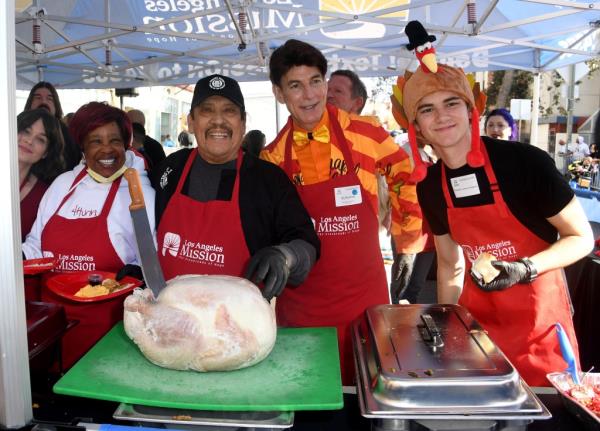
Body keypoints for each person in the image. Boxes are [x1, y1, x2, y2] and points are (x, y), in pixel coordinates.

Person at [397, 27, 593, 386]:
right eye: (427, 109)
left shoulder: (524, 163)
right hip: (480, 332)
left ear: (472, 110)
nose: (441, 116)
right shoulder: (430, 185)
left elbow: (581, 238)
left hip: (540, 331)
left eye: (451, 103)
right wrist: (449, 331)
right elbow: (450, 263)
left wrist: (524, 268)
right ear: (417, 128)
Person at [262, 40, 422, 385]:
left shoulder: (366, 133)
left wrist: (407, 243)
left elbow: (406, 179)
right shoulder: (272, 158)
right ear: (279, 93)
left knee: (368, 391)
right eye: (295, 85)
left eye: (316, 81)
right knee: (309, 395)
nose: (309, 95)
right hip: (303, 305)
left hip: (364, 301)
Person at [152, 74, 319, 303]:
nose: (218, 121)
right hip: (171, 320)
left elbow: (305, 242)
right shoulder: (171, 169)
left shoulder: (267, 179)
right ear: (191, 122)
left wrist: (285, 256)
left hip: (239, 327)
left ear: (243, 123)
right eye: (207, 111)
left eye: (229, 111)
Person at [22, 102, 155, 369]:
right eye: (95, 141)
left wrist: (139, 271)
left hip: (108, 332)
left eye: (114, 140)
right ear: (83, 147)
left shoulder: (139, 193)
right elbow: (36, 245)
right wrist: (19, 255)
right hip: (53, 326)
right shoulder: (62, 185)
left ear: (126, 145)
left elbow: (151, 264)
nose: (106, 149)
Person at [326, 69, 435, 304]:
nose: (328, 95)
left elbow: (404, 179)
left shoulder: (371, 133)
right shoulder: (303, 135)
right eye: (326, 89)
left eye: (337, 90)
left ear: (357, 102)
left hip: (362, 251)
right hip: (317, 254)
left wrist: (407, 244)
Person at [18, 109, 65, 241]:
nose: (29, 141)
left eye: (40, 139)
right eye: (26, 131)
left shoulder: (45, 195)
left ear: (46, 152)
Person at [24, 81, 81, 171]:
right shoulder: (17, 130)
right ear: (30, 103)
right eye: (37, 97)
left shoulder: (69, 136)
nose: (43, 101)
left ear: (56, 106)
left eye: (49, 99)